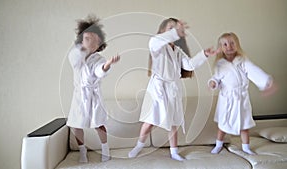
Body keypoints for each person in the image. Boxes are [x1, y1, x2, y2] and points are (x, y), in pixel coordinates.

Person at [128, 18, 219, 161]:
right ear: (163, 31)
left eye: (175, 28)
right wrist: (176, 32)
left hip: (173, 89)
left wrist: (204, 54)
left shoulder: (178, 51)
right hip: (158, 89)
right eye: (170, 28)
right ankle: (139, 145)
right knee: (150, 120)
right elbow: (155, 41)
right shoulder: (156, 46)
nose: (173, 31)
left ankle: (174, 151)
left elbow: (189, 65)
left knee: (173, 121)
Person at [208, 32, 277, 155]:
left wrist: (266, 82)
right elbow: (216, 78)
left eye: (232, 43)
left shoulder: (243, 61)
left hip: (241, 98)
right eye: (225, 44)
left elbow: (254, 71)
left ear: (237, 45)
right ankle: (218, 145)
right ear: (221, 48)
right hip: (227, 99)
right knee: (223, 124)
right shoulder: (220, 64)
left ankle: (246, 147)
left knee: (244, 124)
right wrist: (213, 83)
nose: (229, 46)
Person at [67, 15, 120, 163]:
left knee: (99, 124)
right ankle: (82, 151)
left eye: (95, 40)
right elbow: (74, 59)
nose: (91, 43)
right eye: (87, 38)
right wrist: (84, 48)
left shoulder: (98, 59)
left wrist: (107, 64)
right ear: (81, 40)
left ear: (99, 45)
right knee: (76, 125)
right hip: (79, 95)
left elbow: (98, 71)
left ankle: (105, 149)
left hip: (93, 95)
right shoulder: (76, 55)